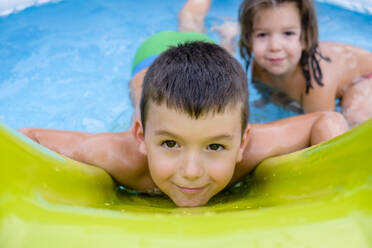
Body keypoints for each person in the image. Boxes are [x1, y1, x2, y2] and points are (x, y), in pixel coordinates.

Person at [18, 1, 348, 207]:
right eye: (170, 143)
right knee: (142, 92)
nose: (191, 172)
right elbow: (26, 136)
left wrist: (320, 192)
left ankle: (221, 37)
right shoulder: (119, 155)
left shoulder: (253, 149)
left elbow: (326, 121)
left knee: (224, 72)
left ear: (243, 142)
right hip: (151, 58)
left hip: (205, 57)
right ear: (139, 137)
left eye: (216, 147)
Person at [214, 0, 372, 127]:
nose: (274, 46)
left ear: (305, 38)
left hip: (366, 77)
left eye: (288, 33)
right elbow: (264, 93)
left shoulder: (316, 83)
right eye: (262, 35)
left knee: (354, 118)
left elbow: (326, 135)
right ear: (249, 40)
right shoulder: (260, 65)